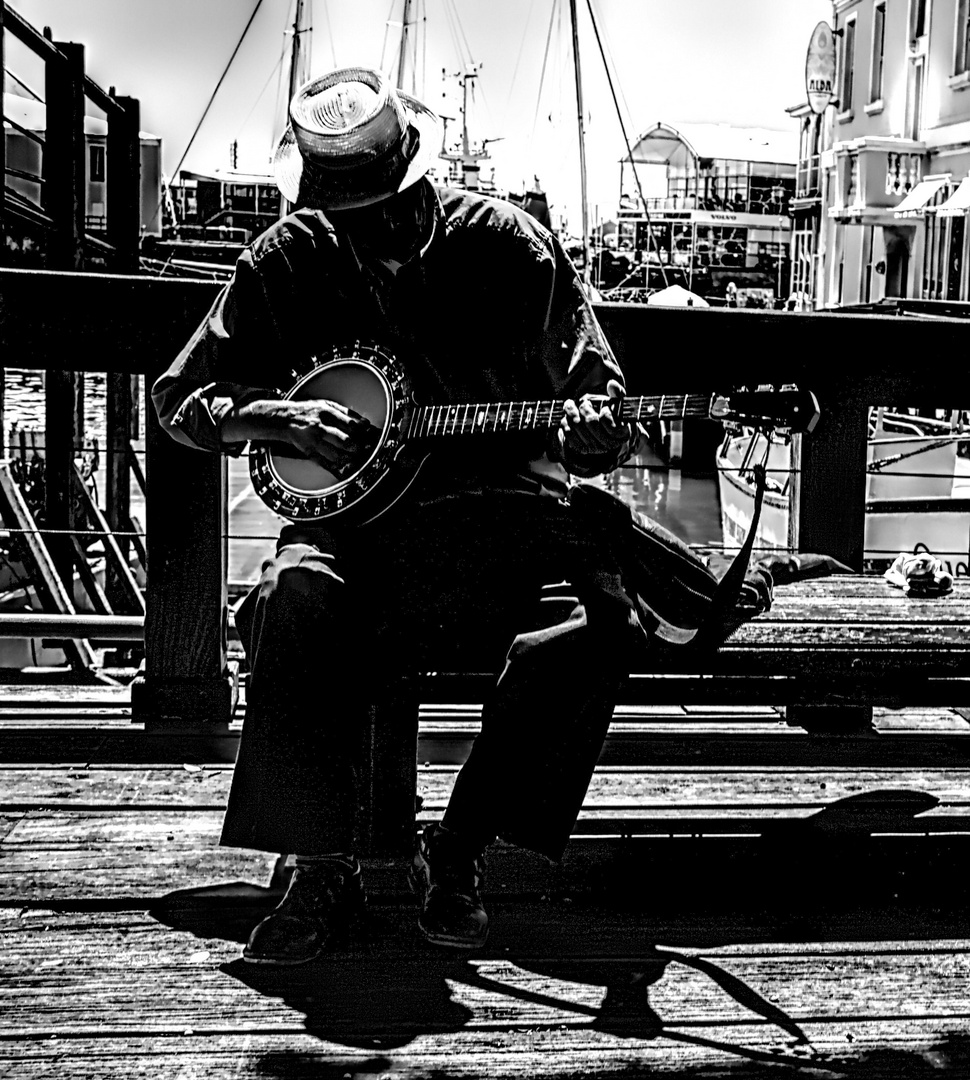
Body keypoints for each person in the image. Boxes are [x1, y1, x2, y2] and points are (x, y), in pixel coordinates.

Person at [152, 66, 638, 966]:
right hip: (354, 532)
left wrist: (595, 426)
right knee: (293, 594)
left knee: (597, 619)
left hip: (501, 525)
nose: (370, 227)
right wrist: (274, 415)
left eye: (388, 206)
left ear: (417, 179)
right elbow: (179, 398)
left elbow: (594, 389)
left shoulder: (510, 246)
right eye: (349, 213)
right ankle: (319, 861)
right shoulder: (286, 259)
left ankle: (462, 848)